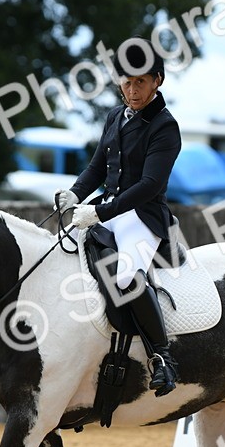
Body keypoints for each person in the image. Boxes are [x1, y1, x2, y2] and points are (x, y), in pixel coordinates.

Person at [54, 37, 180, 396]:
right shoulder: (115, 115)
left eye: (140, 81)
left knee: (126, 276)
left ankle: (163, 359)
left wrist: (99, 211)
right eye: (126, 82)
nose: (132, 89)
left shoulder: (165, 126)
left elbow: (150, 184)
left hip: (142, 215)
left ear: (157, 80)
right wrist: (75, 193)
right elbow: (96, 167)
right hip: (105, 209)